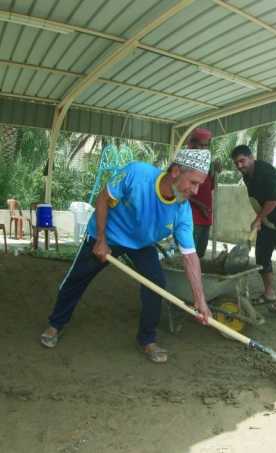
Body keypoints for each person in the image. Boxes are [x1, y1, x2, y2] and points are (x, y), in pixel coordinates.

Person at [39, 149, 214, 363]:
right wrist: (101, 239)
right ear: (176, 171)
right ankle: (56, 324)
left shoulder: (182, 211)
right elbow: (103, 198)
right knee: (77, 278)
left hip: (141, 243)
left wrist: (200, 301)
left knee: (155, 284)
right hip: (107, 234)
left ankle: (147, 340)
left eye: (199, 185)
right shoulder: (137, 174)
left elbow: (190, 257)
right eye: (193, 183)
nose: (196, 191)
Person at [231, 145, 276, 315]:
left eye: (242, 161)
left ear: (251, 157)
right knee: (262, 255)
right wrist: (261, 219)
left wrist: (257, 219)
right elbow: (258, 200)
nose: (240, 165)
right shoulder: (248, 175)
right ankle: (269, 293)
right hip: (268, 219)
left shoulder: (265, 173)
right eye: (236, 163)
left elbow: (272, 200)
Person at [186, 128, 220, 258]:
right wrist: (200, 206)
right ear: (192, 144)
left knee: (199, 255)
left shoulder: (206, 165)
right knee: (190, 254)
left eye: (206, 145)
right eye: (200, 144)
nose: (203, 148)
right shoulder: (186, 163)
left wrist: (215, 173)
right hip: (191, 217)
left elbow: (208, 188)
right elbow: (178, 192)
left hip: (206, 218)